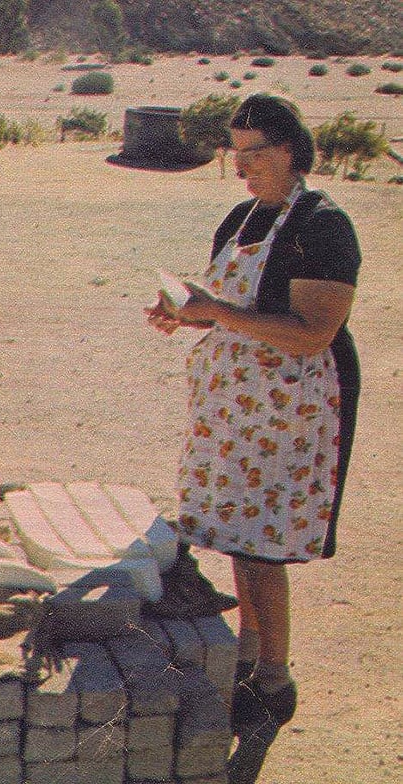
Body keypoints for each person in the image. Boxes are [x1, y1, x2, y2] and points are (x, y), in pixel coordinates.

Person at [145, 94, 361, 730]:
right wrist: (186, 316)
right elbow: (230, 311)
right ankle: (248, 658)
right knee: (241, 542)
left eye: (254, 153)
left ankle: (274, 677)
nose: (242, 168)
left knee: (264, 549)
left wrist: (219, 314)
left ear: (291, 150)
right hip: (238, 410)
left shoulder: (322, 225)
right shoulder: (242, 217)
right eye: (234, 154)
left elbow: (312, 332)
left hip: (293, 407)